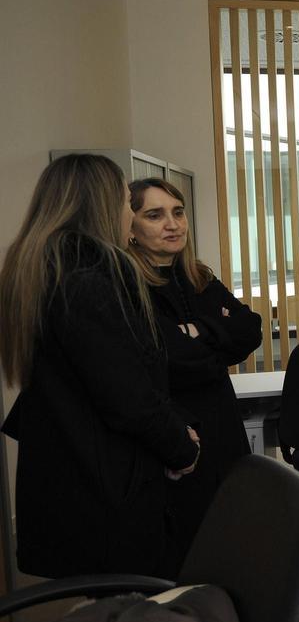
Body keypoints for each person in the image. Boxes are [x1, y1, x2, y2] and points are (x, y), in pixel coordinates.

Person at [0, 154, 200, 578]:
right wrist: (181, 447)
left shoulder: (41, 270)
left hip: (72, 480)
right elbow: (126, 395)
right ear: (100, 205)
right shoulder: (88, 277)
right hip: (106, 489)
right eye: (127, 202)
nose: (129, 212)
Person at [127, 177, 262, 575]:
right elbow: (171, 358)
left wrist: (197, 333)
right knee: (185, 555)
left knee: (229, 542)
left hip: (222, 425)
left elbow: (250, 328)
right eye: (155, 215)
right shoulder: (129, 287)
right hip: (179, 434)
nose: (173, 224)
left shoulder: (198, 275)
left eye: (178, 212)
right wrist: (214, 337)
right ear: (129, 226)